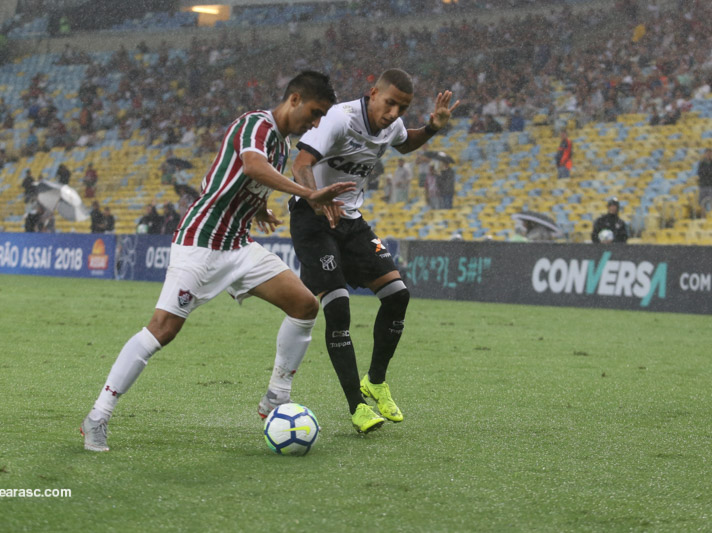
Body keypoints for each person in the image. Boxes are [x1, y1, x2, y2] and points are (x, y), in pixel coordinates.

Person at [80, 71, 355, 452]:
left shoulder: (281, 145)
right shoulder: (254, 125)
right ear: (294, 99)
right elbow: (253, 168)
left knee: (305, 304)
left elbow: (245, 180)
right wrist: (310, 193)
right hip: (200, 242)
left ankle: (276, 396)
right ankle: (98, 415)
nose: (316, 122)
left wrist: (258, 208)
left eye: (322, 115)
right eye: (314, 111)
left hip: (238, 246)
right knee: (163, 329)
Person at [290, 68, 459, 433]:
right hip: (312, 217)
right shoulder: (340, 118)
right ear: (372, 93)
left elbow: (404, 141)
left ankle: (376, 381)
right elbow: (300, 163)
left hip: (351, 220)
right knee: (338, 307)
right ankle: (357, 406)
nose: (395, 113)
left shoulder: (391, 125)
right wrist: (314, 197)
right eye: (390, 103)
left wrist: (432, 127)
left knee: (398, 296)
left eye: (403, 107)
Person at [697, 148, 712, 215]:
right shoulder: (702, 163)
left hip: (711, 185)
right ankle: (703, 216)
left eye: (710, 153)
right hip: (703, 185)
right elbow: (700, 173)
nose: (709, 155)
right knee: (702, 202)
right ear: (705, 154)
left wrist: (707, 173)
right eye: (707, 153)